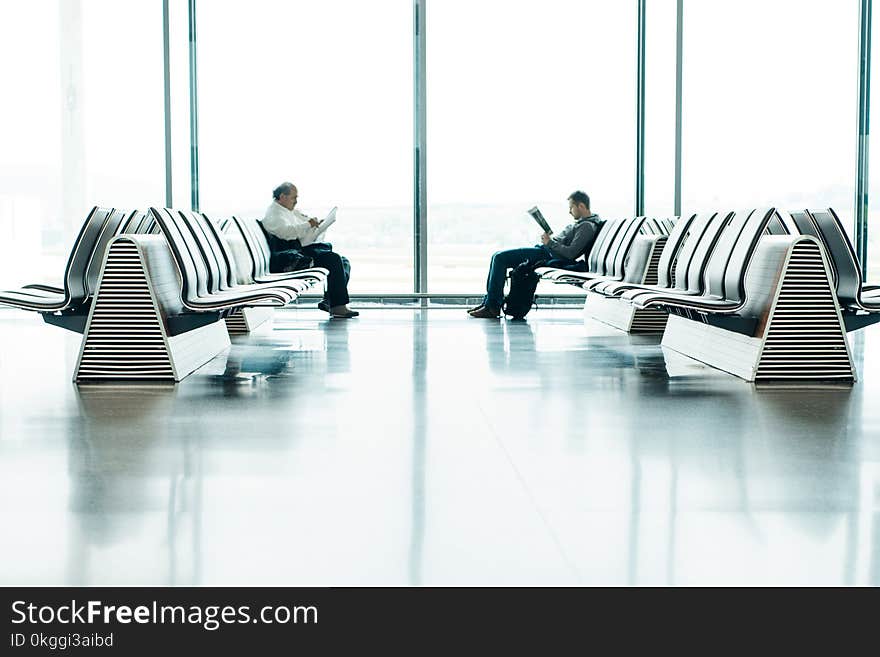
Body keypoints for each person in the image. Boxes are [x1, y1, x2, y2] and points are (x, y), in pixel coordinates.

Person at [469, 190, 602, 318]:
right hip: (545, 251)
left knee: (499, 258)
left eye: (571, 207)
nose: (569, 211)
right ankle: (489, 303)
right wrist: (550, 241)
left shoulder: (586, 227)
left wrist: (550, 243)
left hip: (545, 255)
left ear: (581, 206)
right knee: (496, 256)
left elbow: (571, 253)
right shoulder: (583, 224)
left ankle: (492, 306)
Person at [263, 182, 358, 319]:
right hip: (291, 257)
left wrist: (315, 225)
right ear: (282, 196)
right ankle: (338, 306)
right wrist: (308, 224)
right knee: (333, 259)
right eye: (293, 198)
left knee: (343, 262)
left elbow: (299, 228)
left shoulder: (286, 211)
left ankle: (330, 302)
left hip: (298, 250)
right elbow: (286, 232)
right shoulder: (274, 214)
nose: (296, 201)